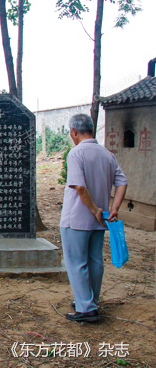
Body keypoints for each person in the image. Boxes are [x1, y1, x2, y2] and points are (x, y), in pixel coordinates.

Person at [60, 113, 128, 323]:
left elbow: (79, 187)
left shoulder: (76, 153)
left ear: (74, 132)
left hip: (77, 218)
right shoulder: (107, 154)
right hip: (100, 222)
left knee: (76, 262)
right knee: (95, 261)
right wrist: (113, 208)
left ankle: (86, 307)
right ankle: (90, 300)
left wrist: (94, 209)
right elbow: (122, 182)